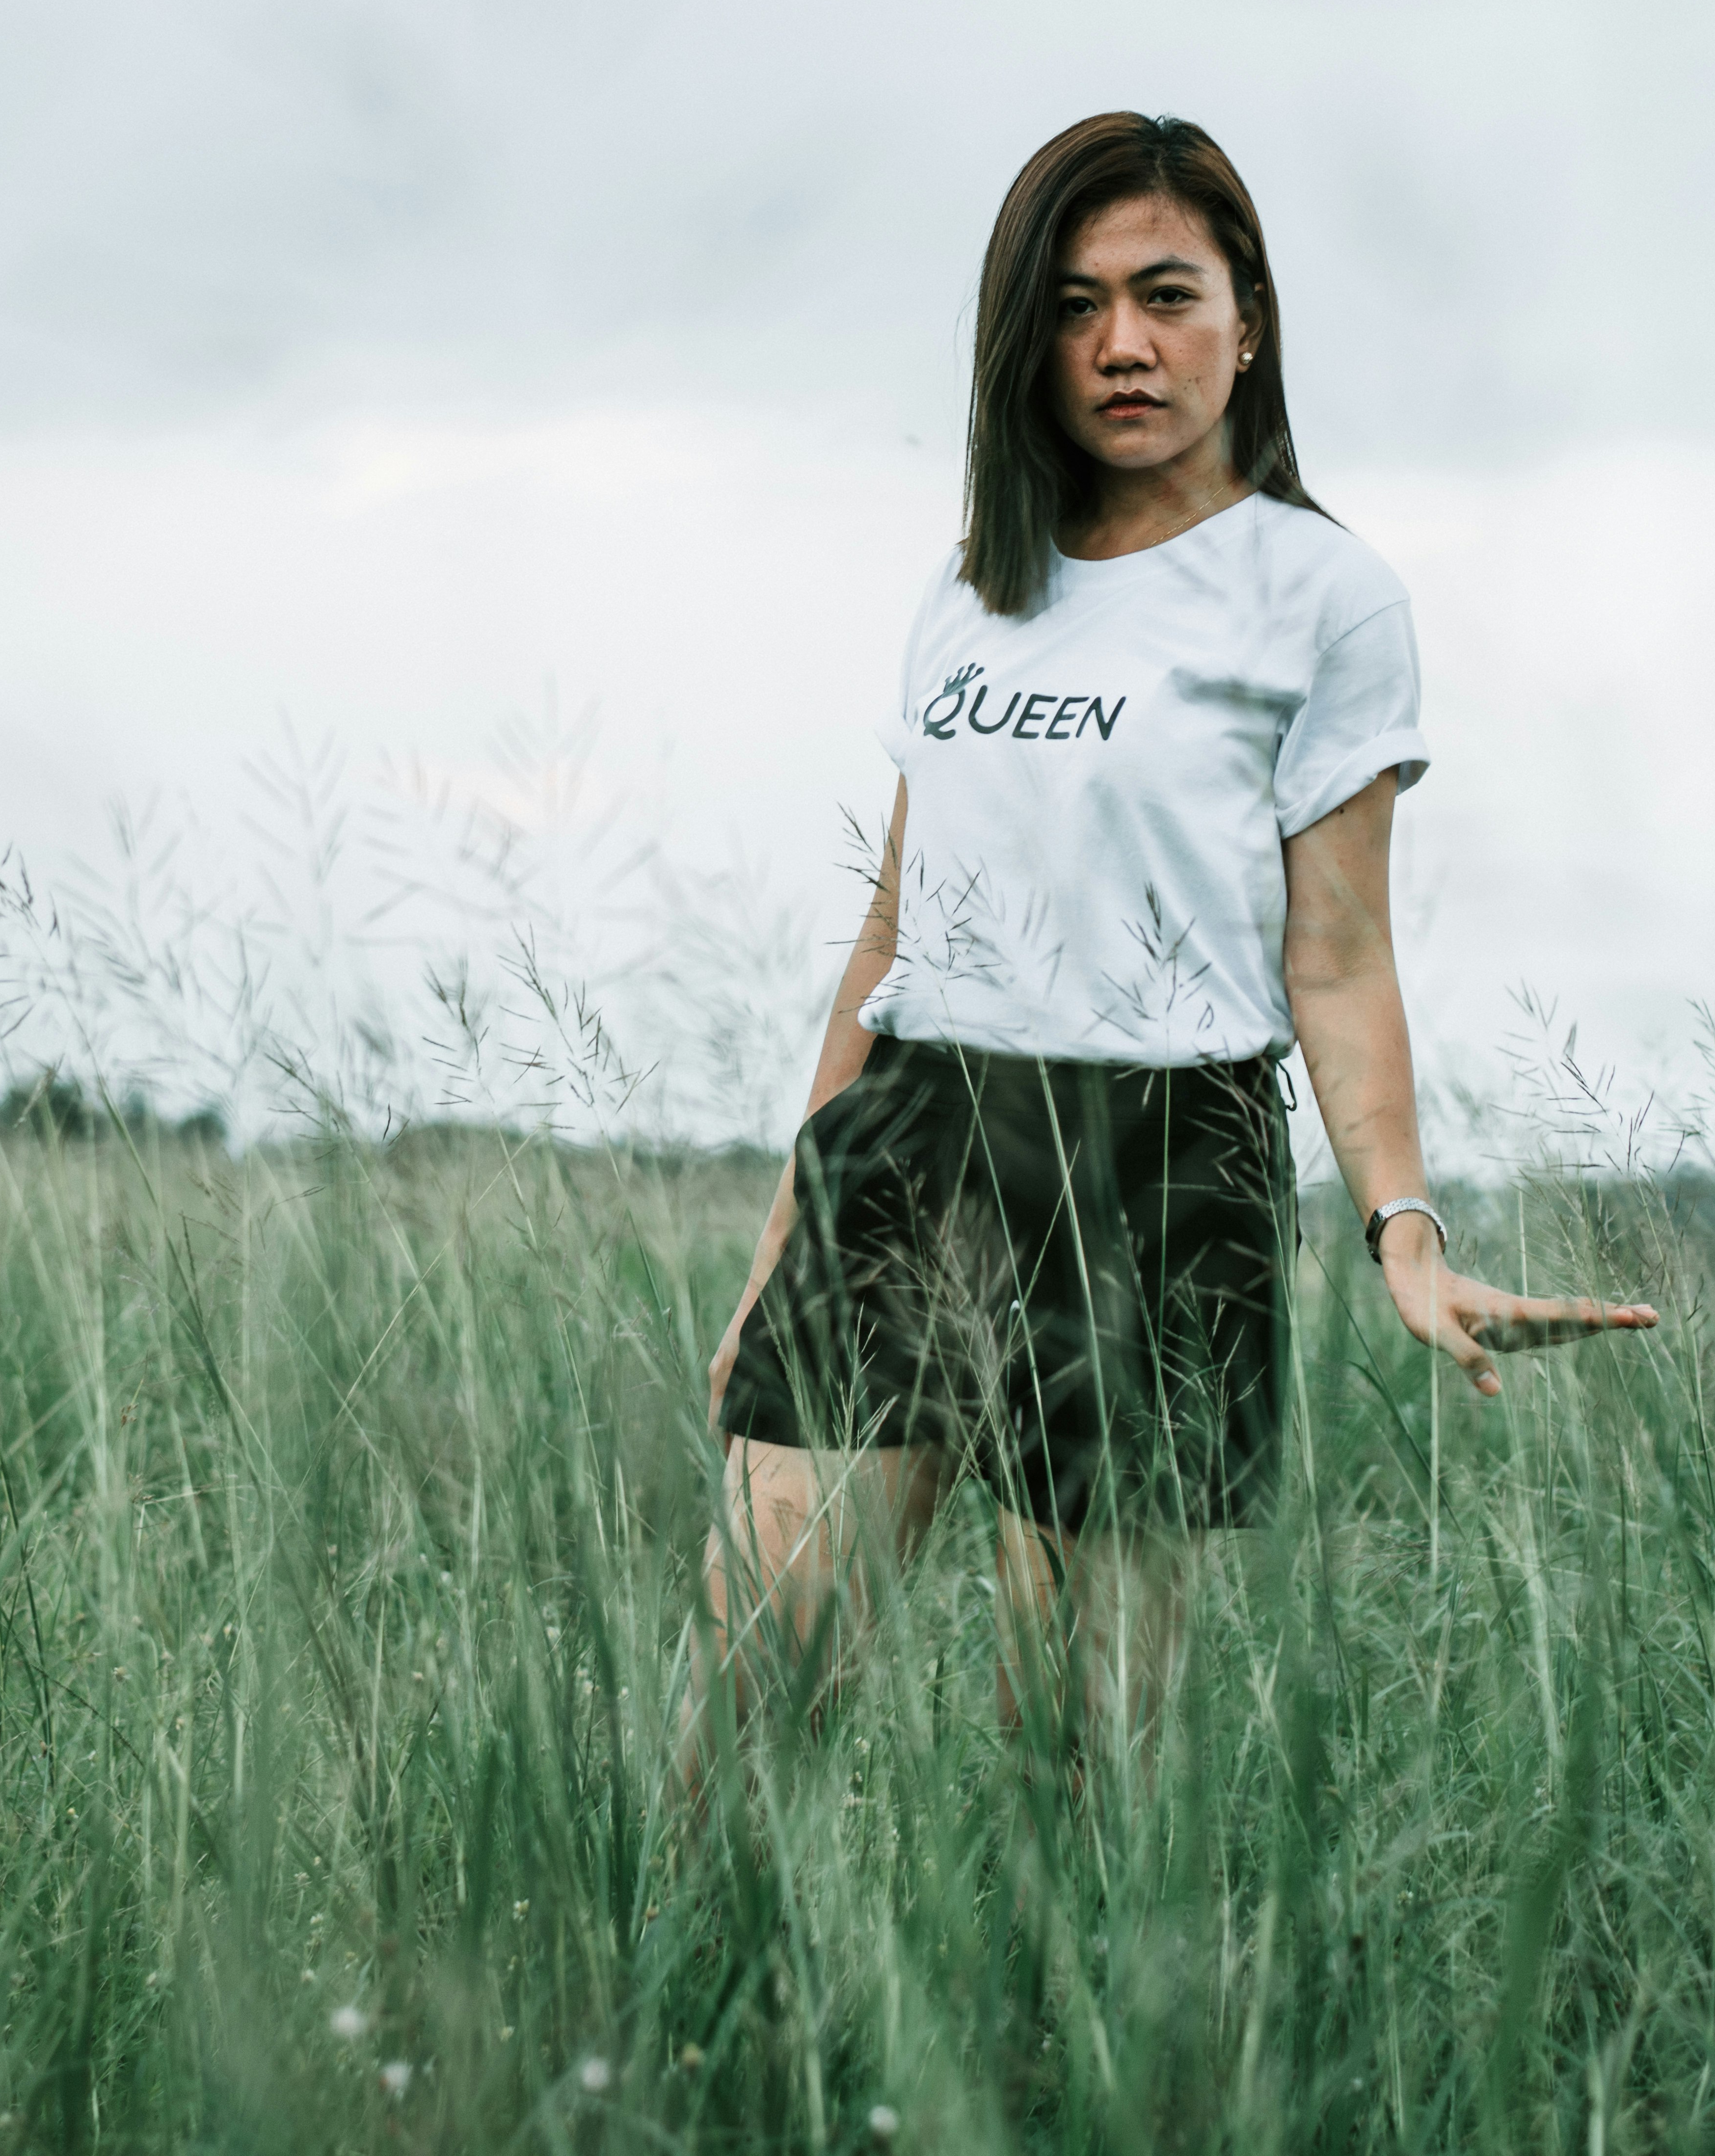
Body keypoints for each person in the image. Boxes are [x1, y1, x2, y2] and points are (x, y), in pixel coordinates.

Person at [697, 111, 1658, 1739]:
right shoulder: (977, 581)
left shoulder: (1323, 597)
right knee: (751, 1699)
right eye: (1074, 306)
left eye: (1166, 294)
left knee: (1078, 1766)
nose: (1122, 345)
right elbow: (895, 926)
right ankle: (707, 2006)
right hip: (919, 1130)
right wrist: (796, 1217)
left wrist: (1403, 1234)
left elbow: (1340, 955)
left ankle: (1048, 2012)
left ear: (1250, 316)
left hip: (1159, 1168)